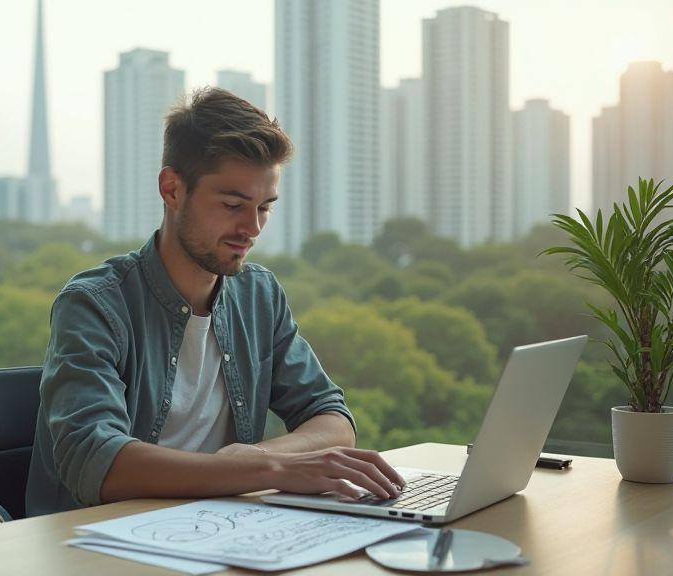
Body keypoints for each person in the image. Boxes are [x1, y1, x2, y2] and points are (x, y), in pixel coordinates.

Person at [25, 87, 405, 517]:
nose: (252, 228)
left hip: (218, 531)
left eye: (264, 207)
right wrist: (269, 469)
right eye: (232, 205)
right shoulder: (94, 305)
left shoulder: (259, 296)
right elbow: (97, 461)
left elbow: (331, 419)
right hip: (94, 544)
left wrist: (255, 460)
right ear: (172, 189)